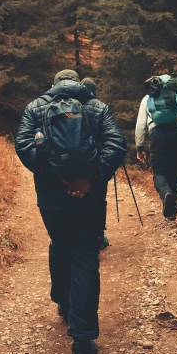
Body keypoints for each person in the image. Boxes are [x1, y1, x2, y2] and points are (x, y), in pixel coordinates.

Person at [15, 69, 127, 354]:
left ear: (53, 86)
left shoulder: (36, 107)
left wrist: (57, 178)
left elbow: (24, 147)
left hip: (51, 199)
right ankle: (81, 342)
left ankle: (63, 301)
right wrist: (89, 180)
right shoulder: (98, 107)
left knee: (60, 243)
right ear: (78, 84)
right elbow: (116, 144)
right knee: (85, 255)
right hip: (88, 198)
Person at [135, 74, 177, 220]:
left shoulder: (147, 99)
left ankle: (166, 193)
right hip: (176, 132)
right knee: (175, 169)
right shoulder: (174, 94)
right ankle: (172, 208)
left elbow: (140, 125)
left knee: (159, 171)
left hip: (157, 134)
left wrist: (140, 147)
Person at [81, 77, 110, 251]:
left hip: (78, 160)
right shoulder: (100, 107)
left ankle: (82, 235)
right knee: (99, 199)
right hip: (98, 161)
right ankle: (98, 236)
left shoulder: (71, 106)